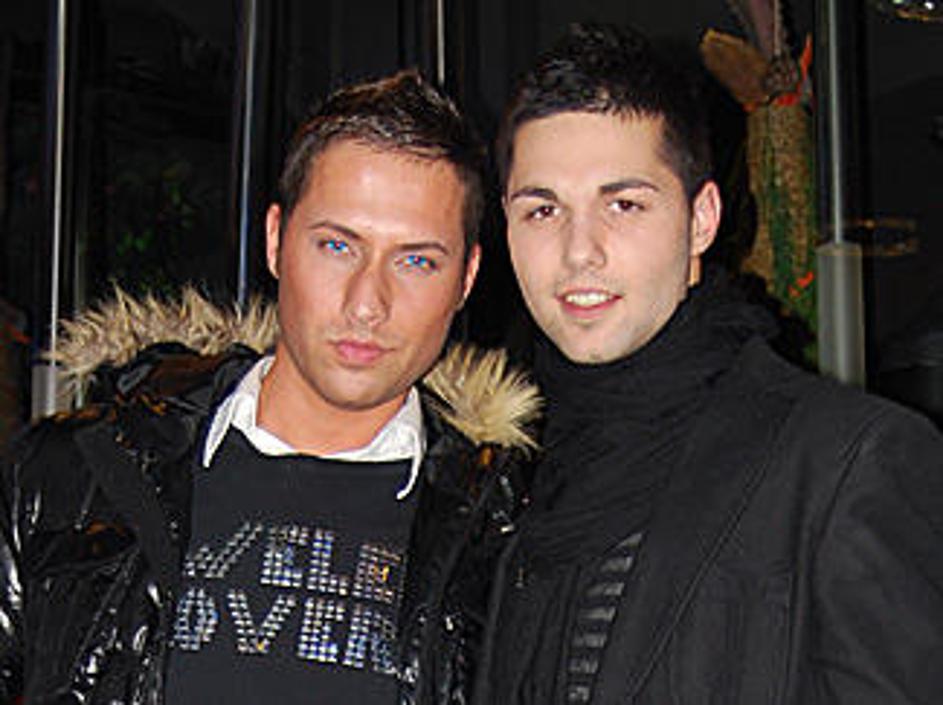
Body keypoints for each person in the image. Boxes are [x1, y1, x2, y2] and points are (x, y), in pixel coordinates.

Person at [0, 70, 538, 705]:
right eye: (338, 246)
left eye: (416, 260)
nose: (368, 302)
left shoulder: (508, 536)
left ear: (467, 278)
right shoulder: (67, 473)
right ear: (276, 240)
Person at [474, 24, 943, 705]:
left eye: (623, 204)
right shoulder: (505, 487)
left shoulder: (845, 462)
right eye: (543, 210)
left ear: (701, 219)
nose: (579, 251)